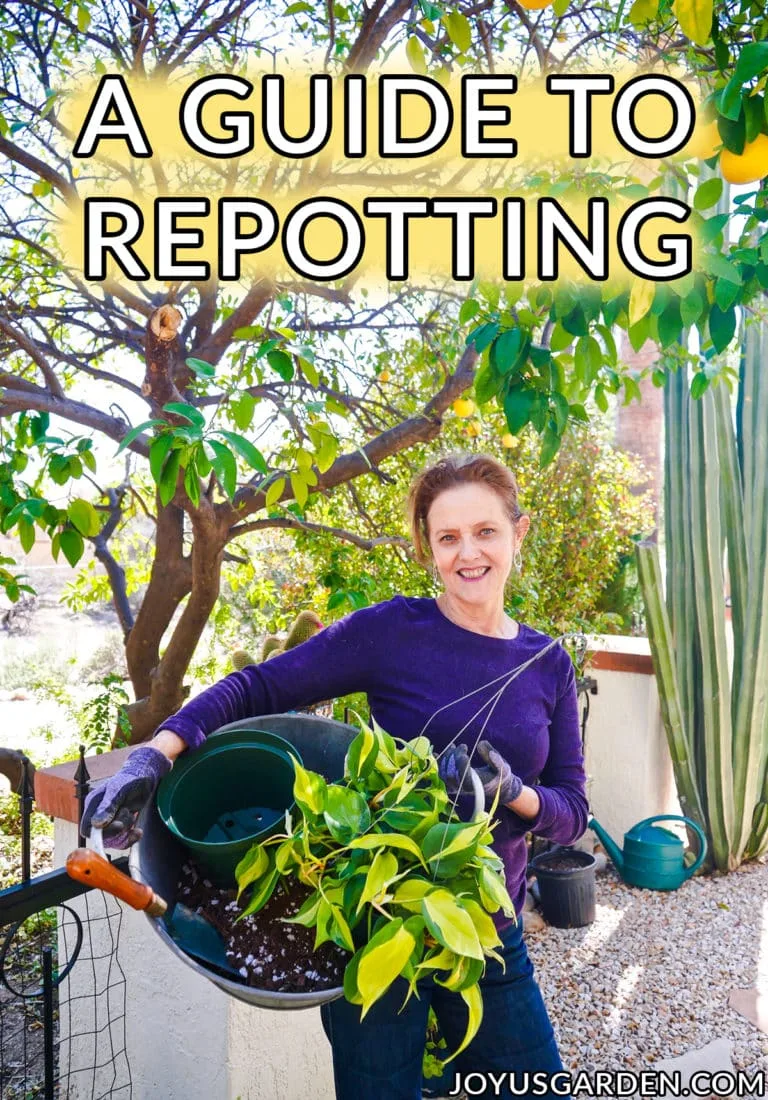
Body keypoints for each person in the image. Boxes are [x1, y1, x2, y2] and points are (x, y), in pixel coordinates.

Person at [82, 452, 588, 1100]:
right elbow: (257, 684)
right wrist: (154, 753)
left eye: (486, 531)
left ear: (518, 532)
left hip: (484, 925)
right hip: (372, 926)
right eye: (448, 536)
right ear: (428, 549)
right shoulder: (391, 632)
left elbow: (572, 807)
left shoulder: (547, 663)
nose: (469, 553)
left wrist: (510, 792)